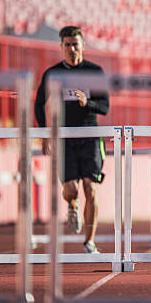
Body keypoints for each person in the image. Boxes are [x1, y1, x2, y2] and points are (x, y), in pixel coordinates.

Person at [34, 26, 109, 254]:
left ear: (83, 46)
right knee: (70, 190)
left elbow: (105, 107)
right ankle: (72, 205)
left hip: (90, 136)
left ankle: (89, 242)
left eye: (75, 44)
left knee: (90, 188)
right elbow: (39, 103)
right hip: (64, 137)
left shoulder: (95, 72)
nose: (71, 49)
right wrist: (45, 132)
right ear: (61, 47)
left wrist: (89, 102)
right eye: (67, 45)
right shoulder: (53, 74)